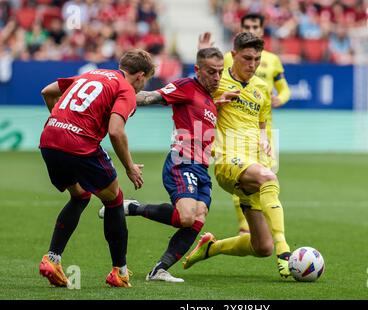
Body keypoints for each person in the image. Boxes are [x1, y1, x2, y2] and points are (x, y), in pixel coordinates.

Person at [98, 47, 238, 282]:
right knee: (186, 217)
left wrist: (218, 101)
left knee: (199, 217)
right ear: (197, 70)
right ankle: (133, 208)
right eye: (211, 72)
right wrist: (119, 94)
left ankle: (159, 269)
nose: (216, 77)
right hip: (182, 161)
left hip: (202, 168)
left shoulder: (208, 99)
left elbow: (199, 108)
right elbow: (150, 97)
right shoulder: (186, 87)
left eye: (220, 72)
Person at [38, 49, 155, 288]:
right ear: (141, 75)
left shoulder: (91, 74)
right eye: (147, 80)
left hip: (49, 138)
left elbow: (47, 91)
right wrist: (130, 167)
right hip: (79, 144)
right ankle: (119, 272)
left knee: (80, 195)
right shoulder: (126, 89)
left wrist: (61, 121)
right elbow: (115, 130)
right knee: (114, 198)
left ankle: (52, 259)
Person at [184, 32, 291, 278]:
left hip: (254, 161)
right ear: (233, 56)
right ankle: (284, 249)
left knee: (261, 246)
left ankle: (211, 247)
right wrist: (217, 99)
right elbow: (192, 98)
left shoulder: (262, 88)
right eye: (247, 58)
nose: (252, 65)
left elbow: (261, 123)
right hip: (226, 159)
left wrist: (264, 138)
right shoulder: (216, 81)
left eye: (257, 59)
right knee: (268, 179)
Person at [198, 13, 290, 238]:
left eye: (254, 26)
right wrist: (201, 53)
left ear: (261, 29)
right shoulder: (230, 62)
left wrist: (282, 98)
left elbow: (284, 89)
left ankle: (261, 236)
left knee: (263, 183)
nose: (252, 64)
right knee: (245, 173)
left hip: (261, 127)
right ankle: (246, 229)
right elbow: (205, 80)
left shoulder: (272, 60)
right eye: (246, 26)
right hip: (234, 129)